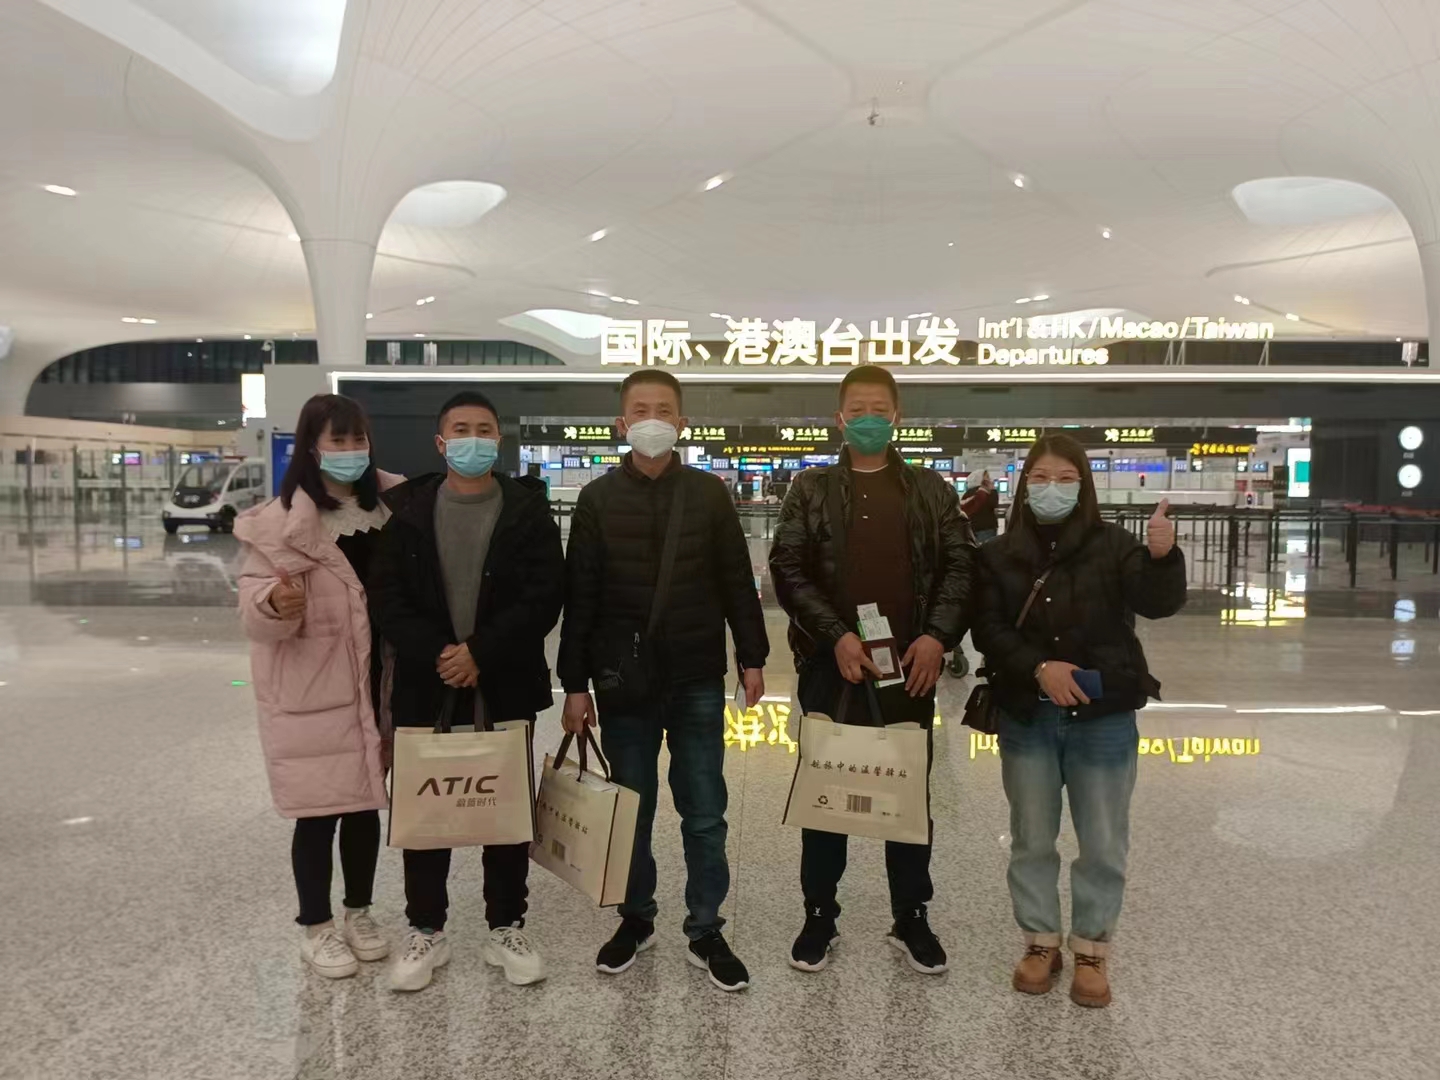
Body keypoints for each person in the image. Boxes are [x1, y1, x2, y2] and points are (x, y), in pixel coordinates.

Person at [558, 369, 768, 992]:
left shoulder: (707, 494)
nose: (652, 419)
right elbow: (581, 598)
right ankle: (636, 917)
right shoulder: (597, 500)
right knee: (632, 807)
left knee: (704, 810)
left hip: (696, 672)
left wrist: (752, 656)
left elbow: (736, 581)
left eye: (664, 410)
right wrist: (575, 683)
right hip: (622, 680)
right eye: (640, 409)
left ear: (682, 422)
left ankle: (705, 927)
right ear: (621, 423)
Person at [768, 365, 977, 976]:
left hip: (908, 666)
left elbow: (961, 564)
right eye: (856, 409)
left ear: (896, 417)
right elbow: (788, 567)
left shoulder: (930, 489)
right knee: (826, 788)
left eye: (878, 410)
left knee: (905, 792)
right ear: (839, 418)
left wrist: (937, 637)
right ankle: (819, 913)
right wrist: (835, 636)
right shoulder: (810, 488)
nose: (868, 419)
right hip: (830, 663)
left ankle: (910, 915)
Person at [971, 433, 1185, 1008]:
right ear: (1024, 486)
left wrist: (1162, 557)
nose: (1053, 489)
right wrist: (1039, 667)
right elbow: (987, 628)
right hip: (1028, 715)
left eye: (1066, 479)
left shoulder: (1115, 546)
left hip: (1102, 716)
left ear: (1084, 486)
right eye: (1041, 478)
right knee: (1031, 837)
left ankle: (1092, 947)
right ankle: (1040, 941)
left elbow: (1158, 604)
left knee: (1103, 839)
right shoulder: (997, 554)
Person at [368, 390, 564, 992]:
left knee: (504, 809)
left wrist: (481, 651)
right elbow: (387, 598)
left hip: (504, 681)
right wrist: (442, 653)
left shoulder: (526, 510)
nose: (472, 439)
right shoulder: (406, 512)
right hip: (427, 684)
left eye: (483, 429)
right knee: (427, 810)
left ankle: (506, 925)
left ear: (497, 440)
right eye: (460, 429)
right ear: (440, 441)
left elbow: (543, 595)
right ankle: (426, 928)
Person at [236, 394, 400, 979]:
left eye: (359, 439)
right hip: (316, 684)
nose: (351, 451)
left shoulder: (394, 505)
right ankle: (316, 925)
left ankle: (359, 912)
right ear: (312, 447)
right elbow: (252, 607)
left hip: (380, 678)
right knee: (318, 811)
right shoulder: (278, 523)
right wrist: (273, 602)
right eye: (338, 440)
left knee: (364, 803)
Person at [961, 471, 1000, 543]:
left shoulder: (968, 493)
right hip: (986, 528)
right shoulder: (988, 492)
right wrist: (993, 489)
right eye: (986, 477)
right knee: (986, 548)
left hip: (971, 527)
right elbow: (993, 504)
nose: (989, 479)